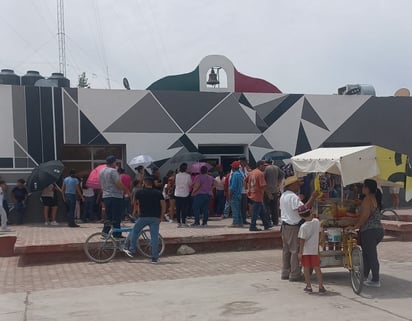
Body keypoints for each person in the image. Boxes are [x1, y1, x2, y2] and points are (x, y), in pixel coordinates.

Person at [279, 176, 318, 281]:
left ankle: (285, 272)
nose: (298, 186)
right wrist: (313, 197)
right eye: (297, 184)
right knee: (295, 250)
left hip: (285, 226)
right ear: (291, 185)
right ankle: (295, 274)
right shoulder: (292, 197)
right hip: (293, 226)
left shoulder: (283, 195)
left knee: (286, 251)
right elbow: (303, 211)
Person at [351, 179, 384, 288]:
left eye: (364, 186)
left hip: (370, 231)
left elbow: (364, 217)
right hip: (378, 230)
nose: (362, 188)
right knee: (367, 254)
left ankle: (375, 279)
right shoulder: (375, 197)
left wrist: (355, 227)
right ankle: (364, 275)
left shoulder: (367, 199)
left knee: (371, 255)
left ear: (367, 188)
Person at [124, 176, 166, 263]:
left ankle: (132, 250)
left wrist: (136, 210)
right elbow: (163, 205)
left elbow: (133, 202)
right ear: (152, 183)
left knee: (135, 231)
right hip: (155, 217)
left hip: (143, 216)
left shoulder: (139, 192)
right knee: (154, 237)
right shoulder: (158, 193)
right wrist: (161, 216)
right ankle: (154, 257)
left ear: (144, 183)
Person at [297, 205, 326, 294]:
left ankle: (309, 286)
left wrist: (300, 252)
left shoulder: (303, 227)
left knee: (306, 268)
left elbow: (302, 240)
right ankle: (321, 286)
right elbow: (322, 232)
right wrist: (321, 242)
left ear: (301, 216)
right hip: (315, 250)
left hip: (306, 251)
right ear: (310, 212)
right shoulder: (317, 222)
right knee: (317, 268)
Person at [100, 156, 129, 238]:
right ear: (113, 162)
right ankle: (117, 234)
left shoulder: (101, 172)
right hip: (115, 196)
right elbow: (118, 183)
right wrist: (126, 191)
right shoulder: (113, 171)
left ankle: (105, 232)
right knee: (116, 216)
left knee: (109, 216)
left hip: (106, 196)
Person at [246, 160, 271, 231]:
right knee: (255, 212)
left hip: (252, 194)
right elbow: (263, 185)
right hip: (258, 195)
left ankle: (266, 224)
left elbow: (245, 180)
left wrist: (247, 190)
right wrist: (269, 194)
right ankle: (252, 226)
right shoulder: (260, 174)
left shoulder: (252, 172)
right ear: (260, 165)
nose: (265, 167)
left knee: (262, 211)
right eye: (264, 165)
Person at [263, 160, 284, 226]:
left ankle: (268, 221)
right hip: (275, 190)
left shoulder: (266, 169)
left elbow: (263, 178)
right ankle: (275, 221)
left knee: (266, 207)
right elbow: (283, 174)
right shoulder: (276, 167)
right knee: (274, 207)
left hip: (267, 190)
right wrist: (278, 182)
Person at [174, 163, 192, 227]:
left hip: (177, 193)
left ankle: (178, 223)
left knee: (178, 209)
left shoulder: (177, 175)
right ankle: (184, 222)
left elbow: (175, 183)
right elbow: (190, 184)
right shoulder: (188, 176)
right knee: (184, 209)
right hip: (185, 193)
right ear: (186, 169)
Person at [228, 161, 243, 227]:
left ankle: (235, 223)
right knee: (238, 209)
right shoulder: (240, 174)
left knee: (234, 210)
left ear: (233, 167)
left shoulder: (234, 175)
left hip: (234, 194)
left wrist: (230, 195)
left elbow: (232, 187)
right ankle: (240, 222)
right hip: (239, 194)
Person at [239, 158, 251, 225]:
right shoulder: (237, 169)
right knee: (240, 206)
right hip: (239, 191)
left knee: (244, 207)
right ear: (241, 162)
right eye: (245, 162)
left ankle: (244, 220)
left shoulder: (246, 169)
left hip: (245, 191)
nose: (246, 163)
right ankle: (240, 220)